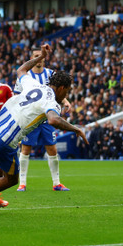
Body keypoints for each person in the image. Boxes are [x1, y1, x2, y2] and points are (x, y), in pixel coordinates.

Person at [0, 44, 89, 210]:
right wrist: (76, 129)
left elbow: (21, 70)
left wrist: (40, 57)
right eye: (67, 91)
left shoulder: (34, 84)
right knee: (11, 180)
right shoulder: (51, 102)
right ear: (61, 88)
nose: (66, 95)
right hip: (5, 139)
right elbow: (53, 120)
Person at [14, 48, 72, 192]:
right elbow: (17, 96)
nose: (39, 58)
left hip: (47, 117)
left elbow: (58, 90)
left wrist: (65, 101)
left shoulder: (51, 74)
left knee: (52, 148)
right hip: (32, 117)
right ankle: (22, 183)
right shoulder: (25, 76)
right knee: (25, 148)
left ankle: (57, 183)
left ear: (44, 59)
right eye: (36, 56)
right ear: (31, 58)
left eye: (41, 56)